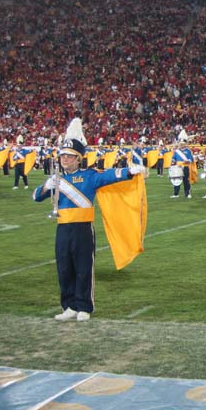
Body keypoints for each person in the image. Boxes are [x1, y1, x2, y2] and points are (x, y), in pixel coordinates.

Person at [33, 118, 146, 322]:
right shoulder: (56, 178)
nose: (65, 159)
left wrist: (129, 171)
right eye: (63, 156)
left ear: (78, 159)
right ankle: (69, 306)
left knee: (84, 267)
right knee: (64, 268)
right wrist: (46, 186)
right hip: (63, 229)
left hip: (83, 228)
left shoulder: (89, 175)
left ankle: (84, 306)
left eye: (69, 156)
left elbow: (109, 176)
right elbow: (36, 197)